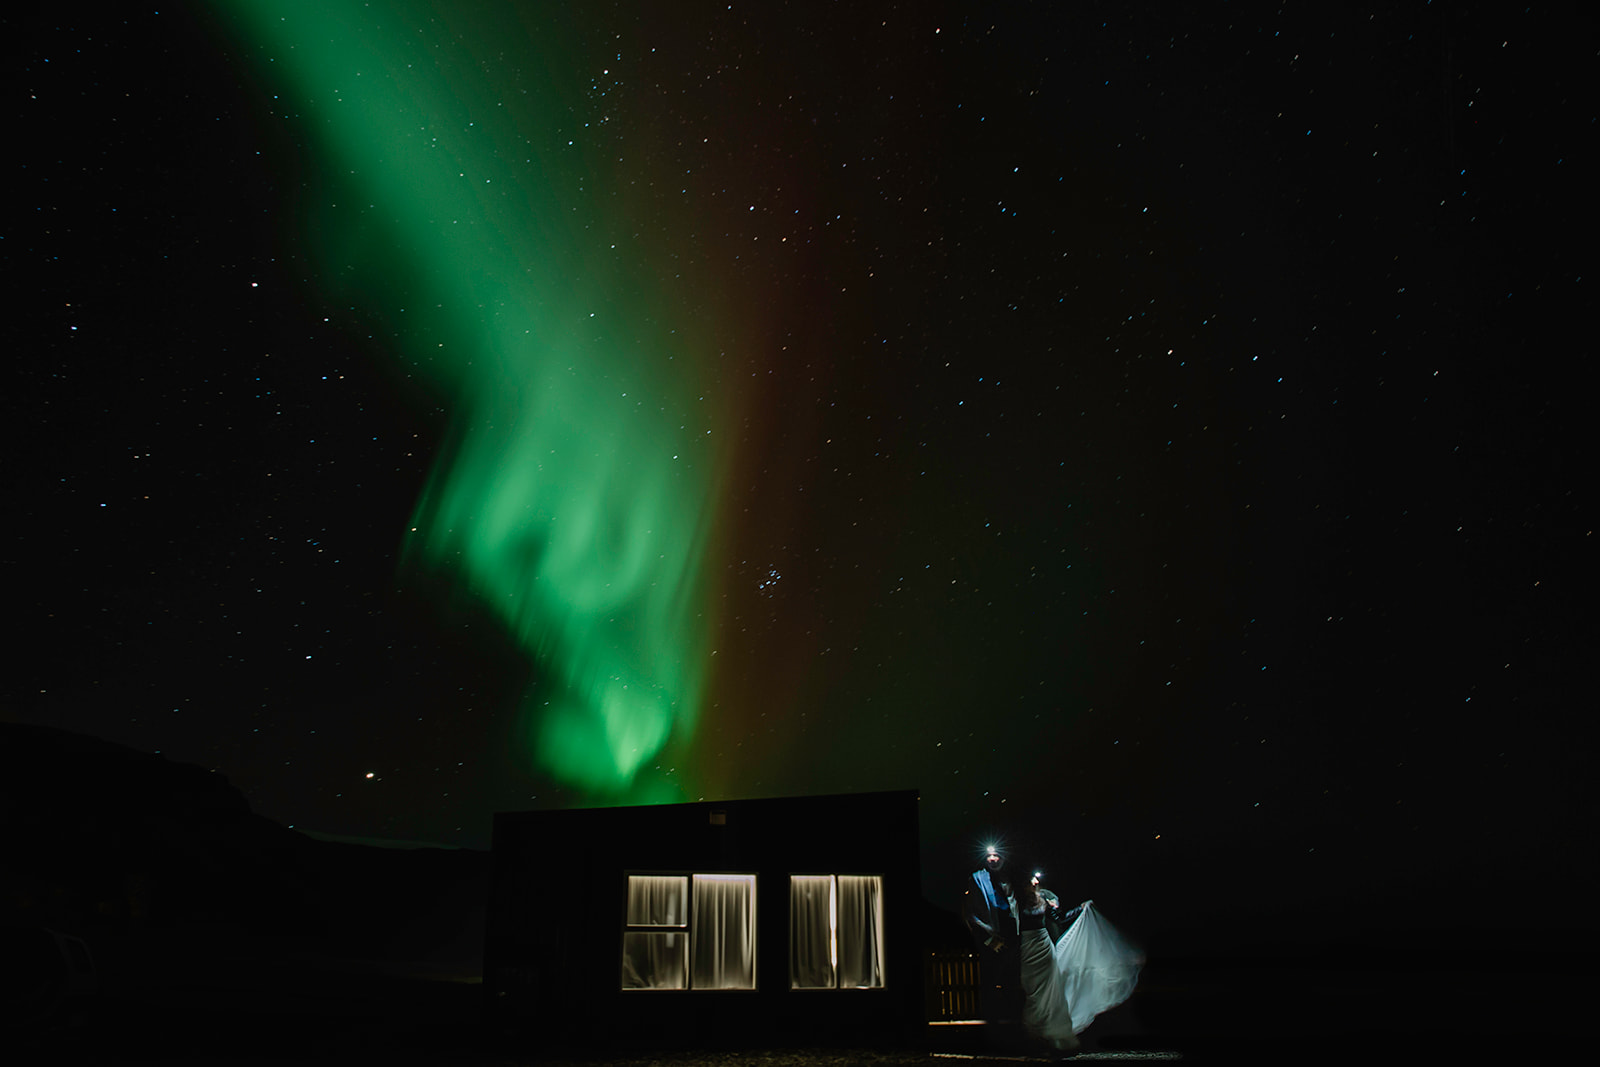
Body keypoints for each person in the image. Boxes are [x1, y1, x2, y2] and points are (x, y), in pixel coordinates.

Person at [961, 843, 1020, 1030]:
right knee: (990, 981)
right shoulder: (977, 879)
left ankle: (1015, 1021)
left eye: (997, 855)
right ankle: (992, 1025)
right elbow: (970, 913)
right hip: (991, 939)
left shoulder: (1011, 879)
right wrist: (988, 939)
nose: (993, 859)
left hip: (1013, 938)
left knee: (1014, 981)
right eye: (989, 856)